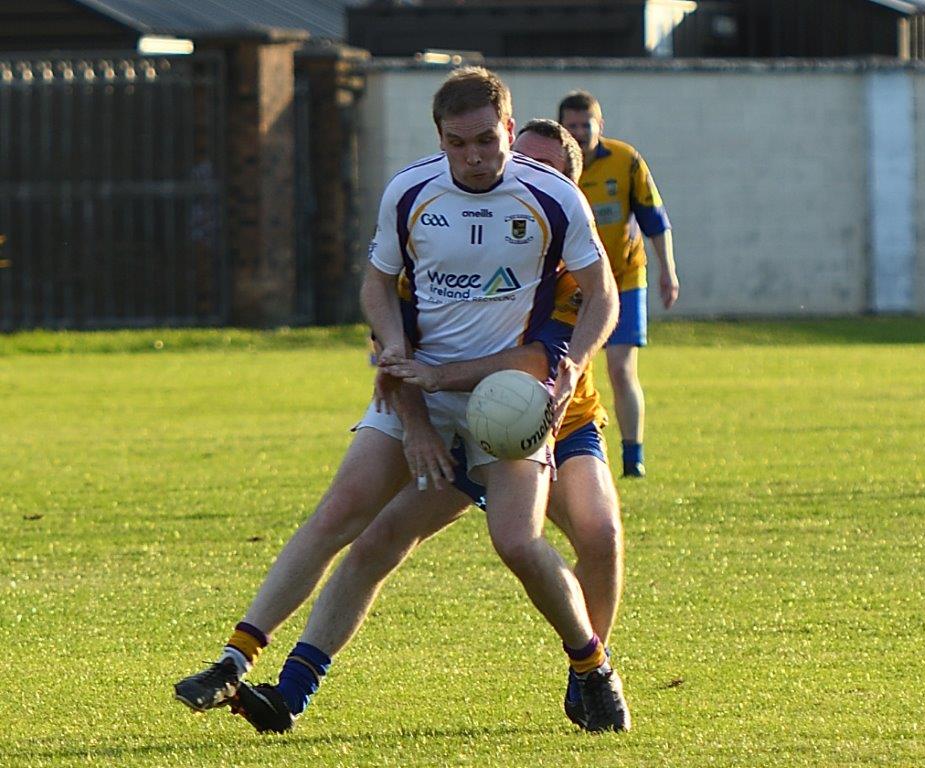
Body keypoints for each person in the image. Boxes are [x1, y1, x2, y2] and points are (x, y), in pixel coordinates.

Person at [174, 69, 627, 732]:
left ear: (508, 128)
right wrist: (402, 375)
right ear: (439, 138)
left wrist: (575, 365)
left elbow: (603, 295)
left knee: (519, 543)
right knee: (345, 514)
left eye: (484, 141)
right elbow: (378, 291)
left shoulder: (553, 199)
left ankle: (592, 667)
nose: (472, 157)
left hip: (504, 402)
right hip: (419, 394)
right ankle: (238, 663)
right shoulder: (411, 191)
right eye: (456, 143)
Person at [558, 90, 679, 478]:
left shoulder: (625, 161)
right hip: (571, 284)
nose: (578, 133)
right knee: (568, 368)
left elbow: (654, 220)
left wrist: (667, 270)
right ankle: (565, 450)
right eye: (571, 126)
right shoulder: (551, 165)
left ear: (600, 124)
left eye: (585, 124)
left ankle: (633, 456)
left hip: (625, 278)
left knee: (621, 369)